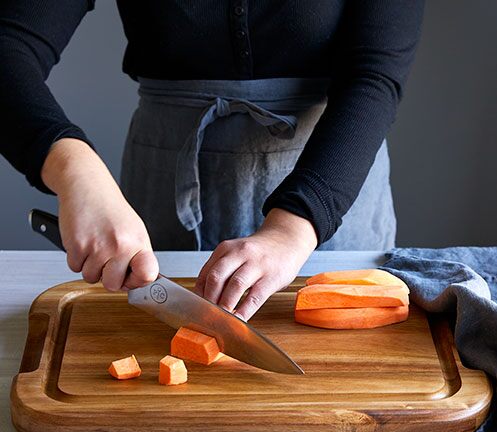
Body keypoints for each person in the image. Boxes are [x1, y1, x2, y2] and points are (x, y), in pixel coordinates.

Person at [0, 1, 424, 320]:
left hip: (333, 180)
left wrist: (296, 223)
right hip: (161, 188)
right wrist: (77, 173)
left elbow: (375, 74)